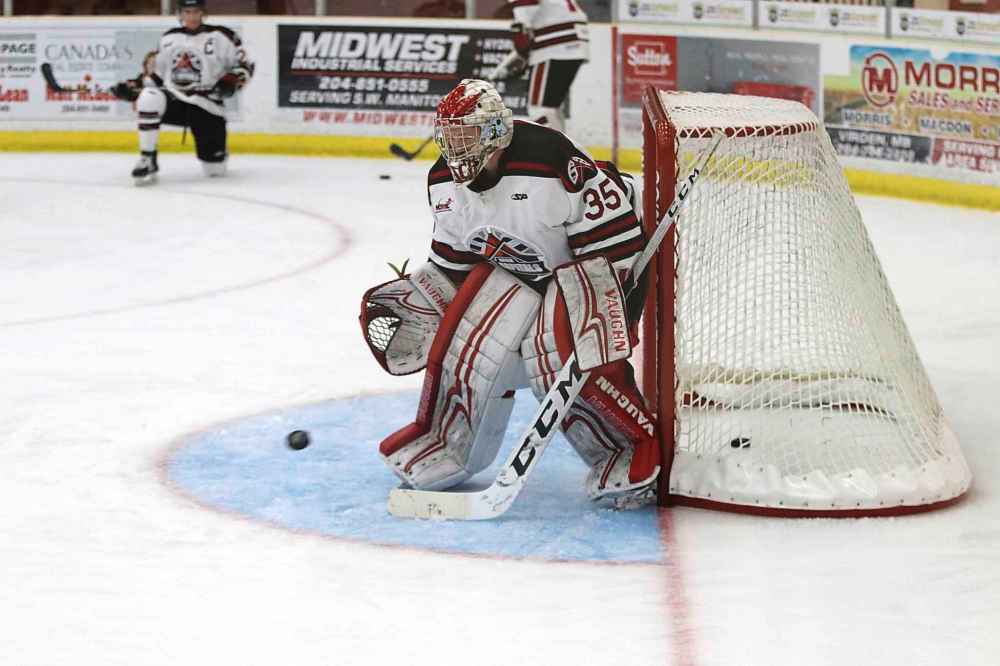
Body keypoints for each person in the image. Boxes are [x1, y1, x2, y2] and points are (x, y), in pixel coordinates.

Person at [360, 80, 659, 508]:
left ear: (497, 133)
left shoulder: (549, 161)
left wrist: (613, 314)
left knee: (555, 348)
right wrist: (425, 296)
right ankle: (446, 440)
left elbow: (618, 246)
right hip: (528, 273)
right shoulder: (443, 184)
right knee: (468, 339)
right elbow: (454, 265)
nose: (456, 148)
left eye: (467, 135)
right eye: (450, 136)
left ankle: (626, 444)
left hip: (599, 259)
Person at [110, 0, 254, 184]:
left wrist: (231, 80)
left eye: (196, 12)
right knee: (149, 96)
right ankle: (148, 158)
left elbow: (244, 66)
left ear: (203, 13)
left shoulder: (222, 36)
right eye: (187, 12)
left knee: (214, 170)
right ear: (180, 14)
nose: (192, 16)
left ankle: (217, 154)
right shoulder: (169, 38)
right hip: (175, 100)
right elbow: (158, 75)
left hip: (207, 105)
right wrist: (135, 86)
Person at [490, 0, 589, 132]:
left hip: (553, 47)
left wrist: (523, 53)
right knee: (551, 108)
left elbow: (521, 30)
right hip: (575, 43)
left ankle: (550, 150)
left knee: (538, 108)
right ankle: (563, 149)